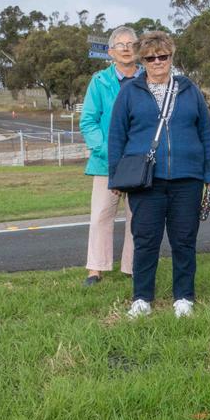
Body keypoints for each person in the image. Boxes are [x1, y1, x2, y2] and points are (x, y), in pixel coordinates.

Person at [108, 31, 210, 319]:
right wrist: (115, 177)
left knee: (184, 238)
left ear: (171, 56)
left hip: (188, 177)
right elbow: (117, 136)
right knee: (145, 239)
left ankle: (184, 297)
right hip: (146, 180)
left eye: (163, 56)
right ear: (142, 60)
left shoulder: (188, 89)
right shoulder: (130, 92)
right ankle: (142, 298)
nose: (157, 61)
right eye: (150, 57)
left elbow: (206, 132)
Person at [78, 25, 139, 287]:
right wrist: (105, 149)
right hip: (106, 162)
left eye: (130, 44)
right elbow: (88, 121)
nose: (126, 49)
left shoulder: (148, 79)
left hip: (139, 161)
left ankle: (133, 266)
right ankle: (96, 269)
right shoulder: (99, 82)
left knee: (138, 216)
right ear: (111, 51)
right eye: (120, 45)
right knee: (102, 214)